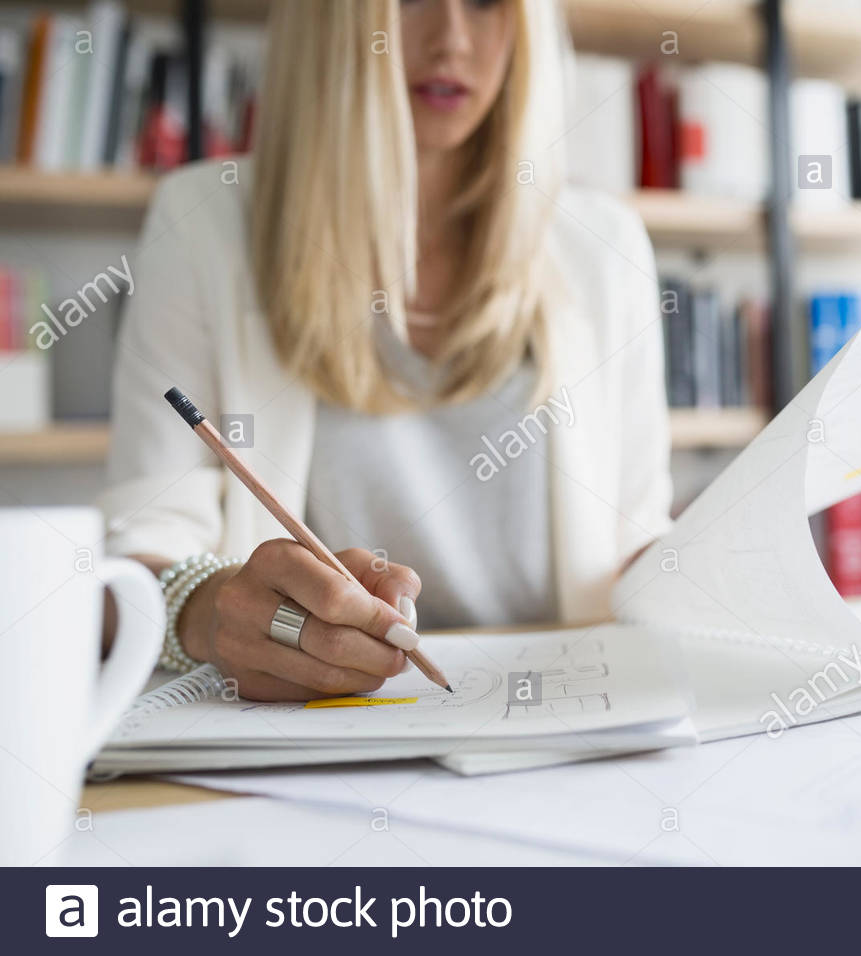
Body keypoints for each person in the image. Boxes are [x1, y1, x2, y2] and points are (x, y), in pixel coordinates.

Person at [99, 0, 671, 701]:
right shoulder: (202, 225)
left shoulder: (604, 246)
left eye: (487, 3)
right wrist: (209, 611)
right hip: (305, 737)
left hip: (561, 728)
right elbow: (134, 559)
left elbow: (641, 544)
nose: (451, 39)